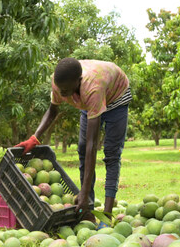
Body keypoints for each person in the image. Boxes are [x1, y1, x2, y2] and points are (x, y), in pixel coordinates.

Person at [16, 58, 131, 220]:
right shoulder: (59, 82)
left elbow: (93, 144)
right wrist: (35, 138)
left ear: (78, 81)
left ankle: (107, 215)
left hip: (116, 97)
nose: (61, 93)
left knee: (111, 155)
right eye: (59, 89)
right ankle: (87, 210)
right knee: (82, 150)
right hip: (89, 100)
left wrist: (82, 192)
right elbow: (52, 110)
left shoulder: (92, 88)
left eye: (65, 90)